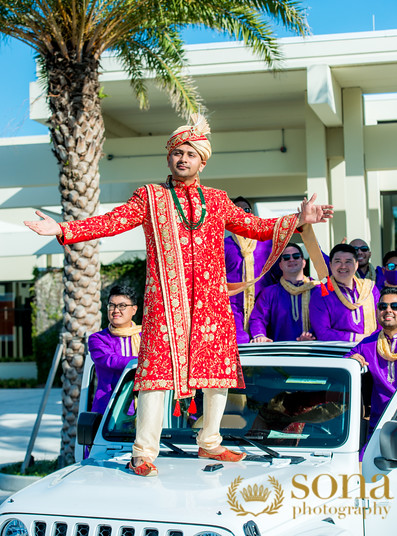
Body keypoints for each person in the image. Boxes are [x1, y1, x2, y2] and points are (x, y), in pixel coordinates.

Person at [24, 113, 333, 477]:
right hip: (165, 304)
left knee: (217, 373)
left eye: (190, 153)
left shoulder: (217, 201)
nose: (183, 159)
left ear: (202, 160)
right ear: (168, 158)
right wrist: (62, 228)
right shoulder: (150, 197)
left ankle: (211, 442)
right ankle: (143, 453)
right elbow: (111, 222)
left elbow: (256, 227)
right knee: (154, 376)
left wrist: (299, 218)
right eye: (177, 153)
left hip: (211, 302)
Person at [344, 286, 397, 436]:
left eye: (395, 306)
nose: (388, 310)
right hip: (380, 425)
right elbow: (343, 366)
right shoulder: (368, 344)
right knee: (363, 459)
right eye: (383, 306)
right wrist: (351, 361)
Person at [224, 196, 273, 344]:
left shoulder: (267, 243)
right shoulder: (223, 245)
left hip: (263, 307)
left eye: (246, 210)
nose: (242, 213)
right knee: (240, 345)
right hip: (233, 308)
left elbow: (281, 272)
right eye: (237, 210)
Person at [310, 243, 379, 342]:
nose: (343, 266)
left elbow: (382, 325)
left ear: (356, 265)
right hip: (339, 353)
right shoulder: (321, 293)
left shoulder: (370, 289)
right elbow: (323, 333)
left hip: (371, 349)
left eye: (348, 261)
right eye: (338, 261)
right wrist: (359, 338)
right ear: (330, 265)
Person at [248, 243, 317, 342]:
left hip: (313, 351)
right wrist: (260, 336)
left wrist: (310, 335)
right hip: (279, 352)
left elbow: (324, 320)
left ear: (304, 262)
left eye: (296, 256)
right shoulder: (269, 293)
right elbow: (258, 318)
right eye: (286, 257)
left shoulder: (317, 290)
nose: (291, 259)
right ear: (280, 265)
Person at [89, 284, 141, 414]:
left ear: (134, 309)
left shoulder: (146, 337)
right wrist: (143, 362)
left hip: (145, 408)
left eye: (122, 306)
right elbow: (110, 360)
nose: (116, 310)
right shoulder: (98, 339)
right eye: (112, 305)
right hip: (109, 411)